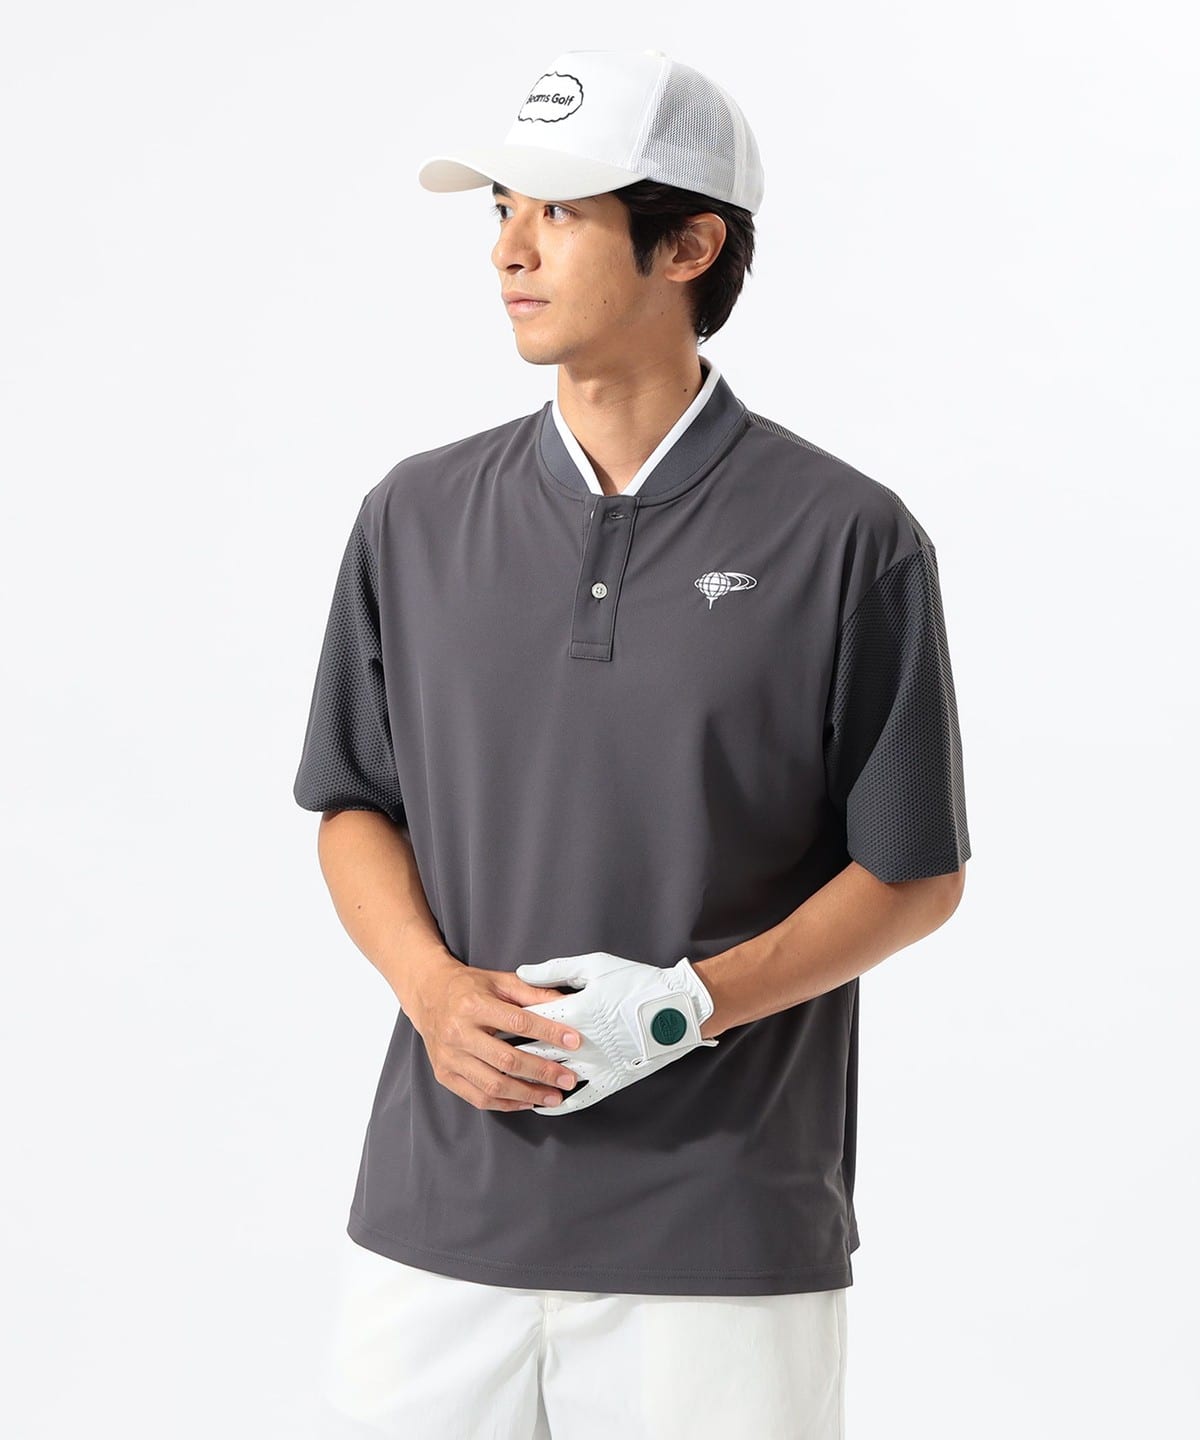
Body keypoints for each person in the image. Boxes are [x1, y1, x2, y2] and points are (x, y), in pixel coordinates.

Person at [293, 47, 971, 1440]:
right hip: (438, 1226)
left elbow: (912, 872)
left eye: (558, 211)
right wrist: (430, 990)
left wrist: (683, 1006)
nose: (509, 251)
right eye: (500, 211)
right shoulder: (413, 517)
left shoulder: (849, 537)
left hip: (719, 1239)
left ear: (690, 245)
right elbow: (355, 803)